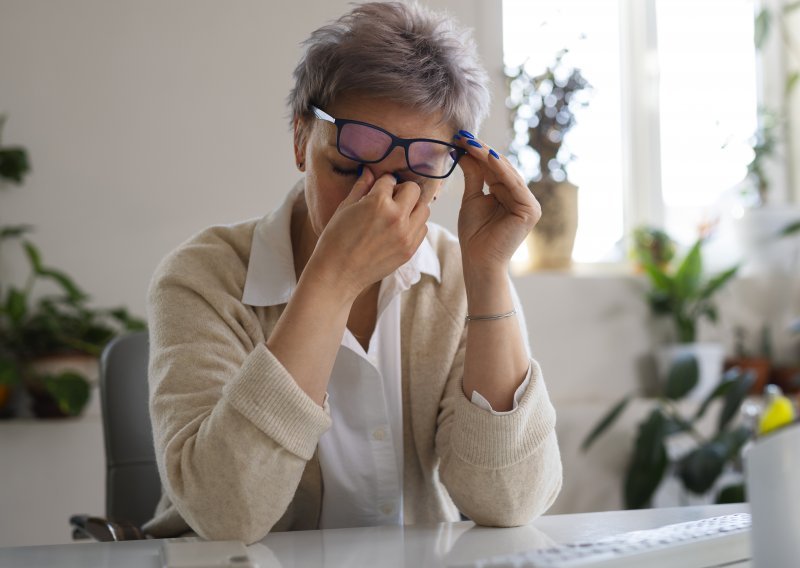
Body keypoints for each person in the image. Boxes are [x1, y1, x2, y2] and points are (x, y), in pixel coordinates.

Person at [143, 1, 562, 544]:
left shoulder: (460, 275)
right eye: (347, 166)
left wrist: (488, 276)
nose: (376, 201)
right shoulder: (202, 277)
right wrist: (333, 279)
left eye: (411, 175)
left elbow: (509, 501)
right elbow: (226, 515)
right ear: (300, 140)